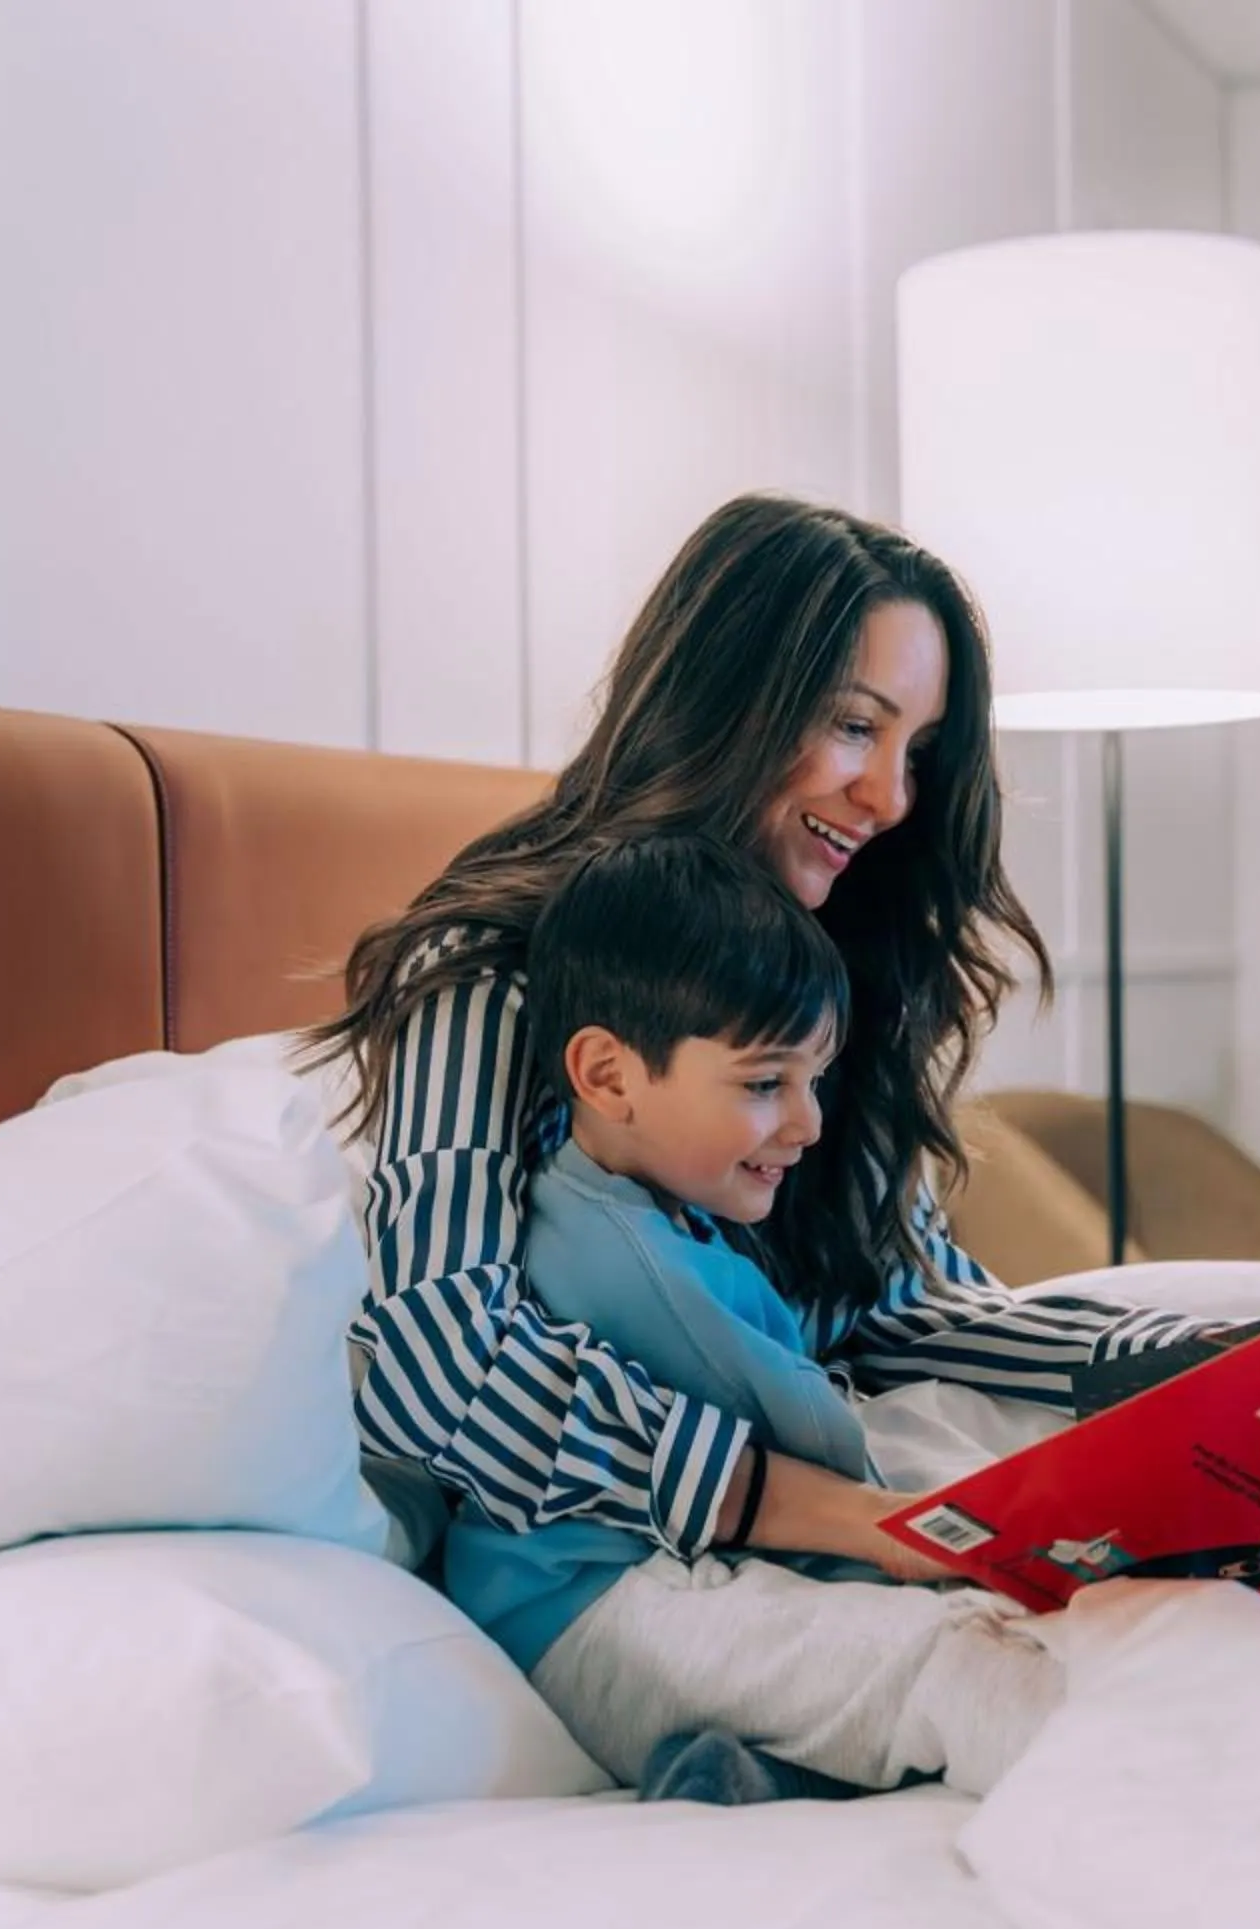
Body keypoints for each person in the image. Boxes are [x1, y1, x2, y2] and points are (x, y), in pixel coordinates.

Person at [307, 492, 1187, 1792]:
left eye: (919, 750)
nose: (890, 797)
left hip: (810, 1492)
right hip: (602, 1558)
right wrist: (803, 1504)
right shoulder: (498, 977)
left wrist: (1168, 1367)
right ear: (727, 700)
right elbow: (438, 1359)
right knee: (1021, 1675)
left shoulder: (824, 972)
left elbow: (907, 1306)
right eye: (852, 724)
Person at [447, 832, 1081, 1797]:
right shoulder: (632, 1266)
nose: (808, 1123)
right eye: (762, 1085)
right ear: (609, 1076)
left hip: (663, 1571)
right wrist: (960, 1559)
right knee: (965, 1660)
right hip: (591, 1608)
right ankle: (1107, 1800)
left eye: (813, 1080)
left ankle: (758, 1777)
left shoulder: (639, 1202)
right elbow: (820, 1453)